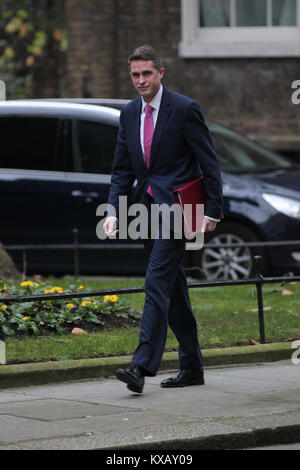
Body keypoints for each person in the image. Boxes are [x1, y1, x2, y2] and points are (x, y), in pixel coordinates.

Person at [103, 45, 223, 394]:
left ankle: (140, 367)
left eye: (147, 74)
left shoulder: (185, 109)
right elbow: (121, 170)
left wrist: (213, 209)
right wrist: (113, 210)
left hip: (179, 210)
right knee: (173, 289)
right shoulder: (127, 114)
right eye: (135, 75)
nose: (141, 80)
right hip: (145, 211)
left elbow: (209, 162)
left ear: (161, 73)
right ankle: (192, 365)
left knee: (155, 282)